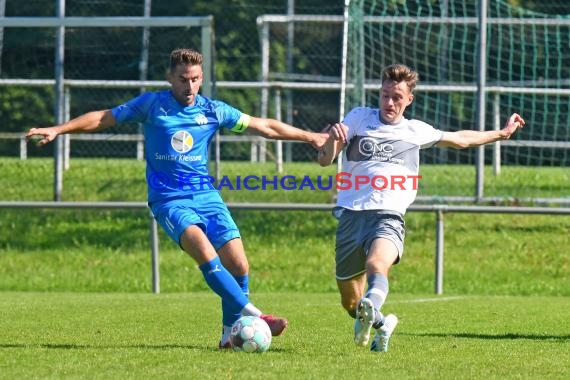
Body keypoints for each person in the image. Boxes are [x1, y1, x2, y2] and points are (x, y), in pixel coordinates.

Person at [26, 48, 327, 349]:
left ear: (202, 78)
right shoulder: (151, 105)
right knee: (204, 250)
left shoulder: (212, 110)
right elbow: (104, 118)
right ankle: (258, 317)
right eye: (183, 79)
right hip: (169, 201)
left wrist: (310, 137)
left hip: (207, 197)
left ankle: (227, 336)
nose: (190, 86)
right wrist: (58, 129)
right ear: (170, 78)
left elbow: (265, 127)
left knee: (239, 265)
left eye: (196, 79)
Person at [318, 63, 525, 353]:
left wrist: (501, 133)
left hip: (388, 216)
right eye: (385, 95)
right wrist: (332, 140)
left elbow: (461, 140)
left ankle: (373, 303)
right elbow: (325, 160)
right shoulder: (358, 118)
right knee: (350, 304)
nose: (390, 103)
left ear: (409, 99)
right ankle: (381, 322)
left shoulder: (415, 131)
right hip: (351, 216)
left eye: (397, 97)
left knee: (377, 264)